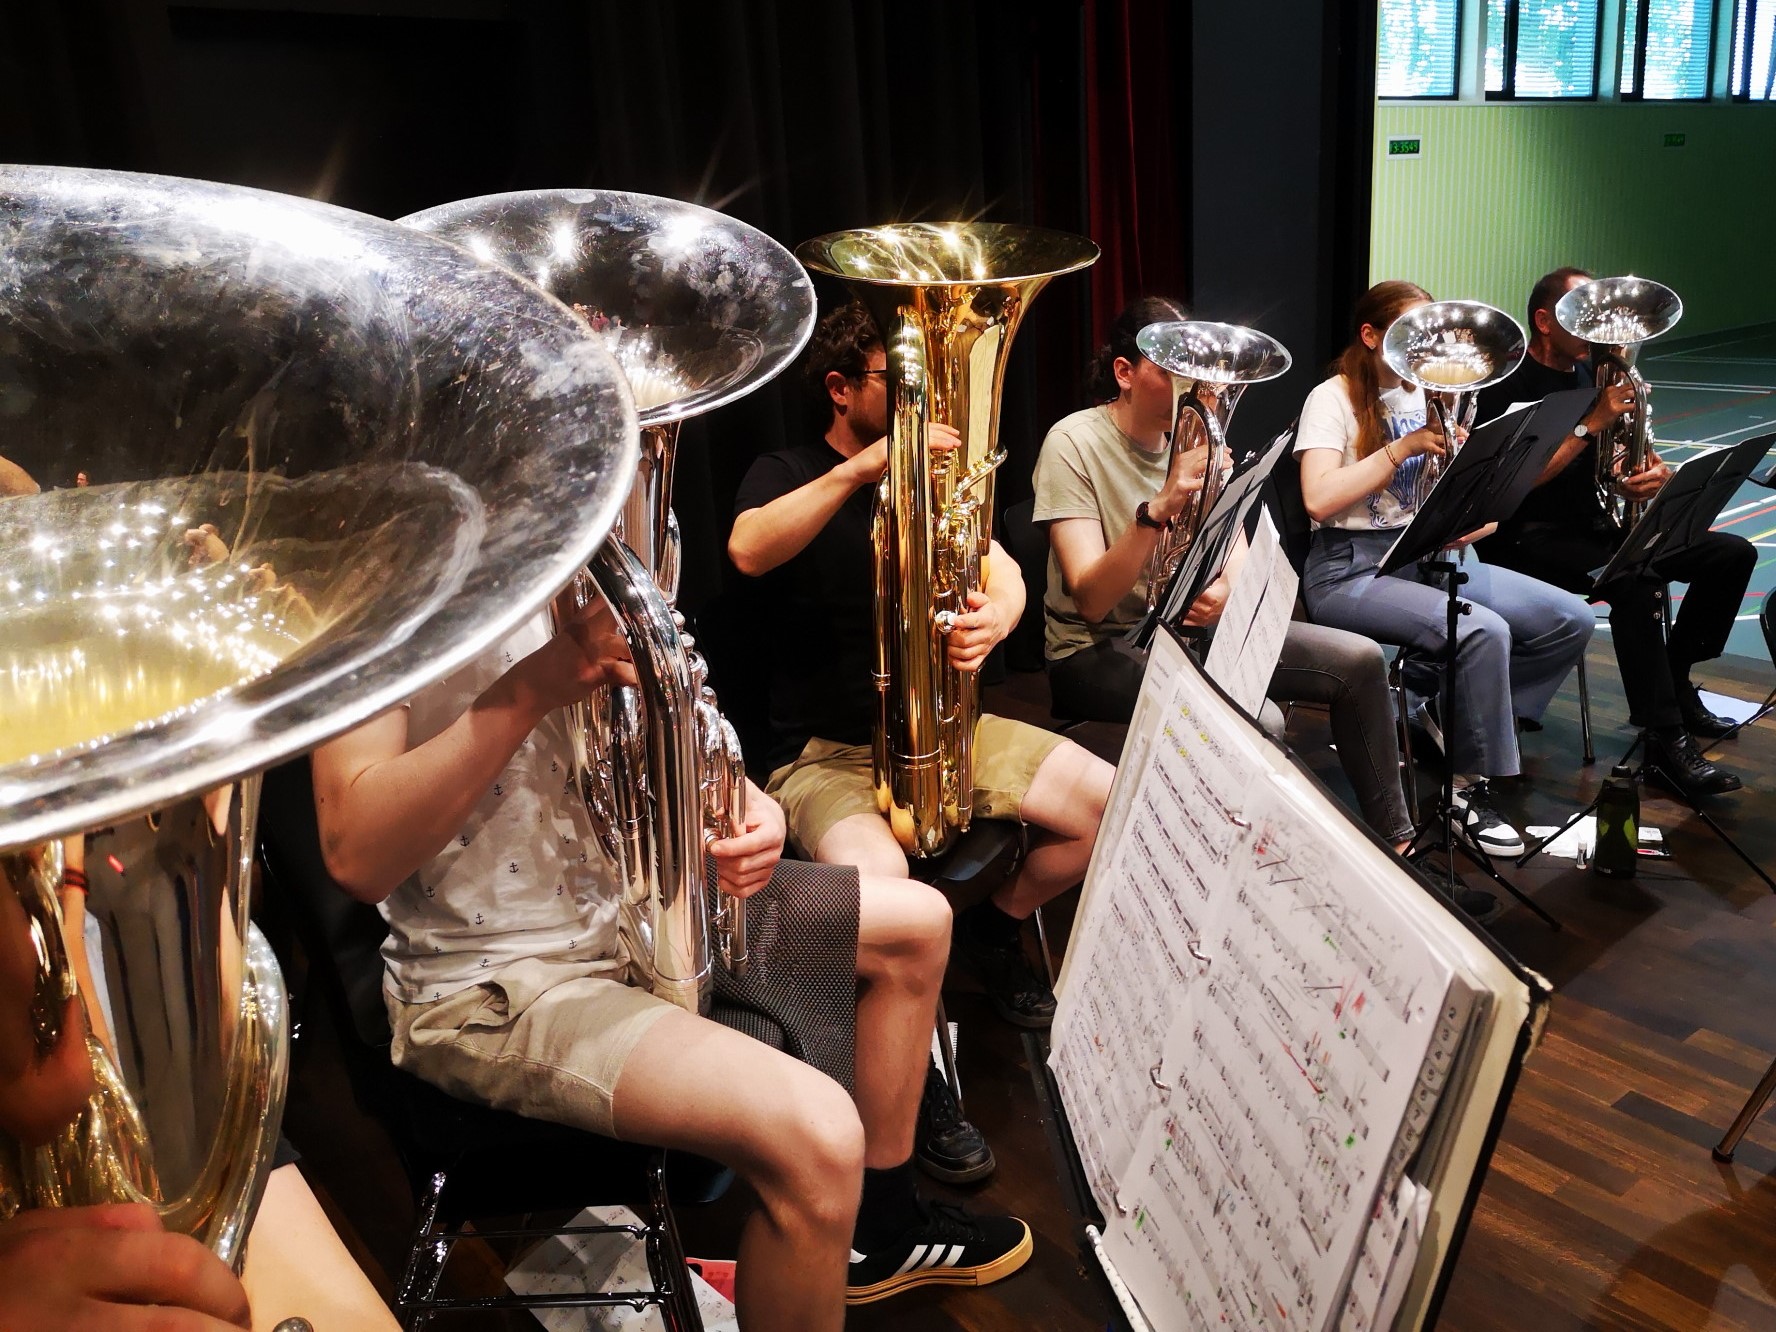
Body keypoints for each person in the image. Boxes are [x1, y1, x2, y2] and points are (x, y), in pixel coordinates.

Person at [309, 595, 1031, 1323]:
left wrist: (751, 808)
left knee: (921, 924)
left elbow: (668, 720)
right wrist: (537, 684)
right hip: (498, 981)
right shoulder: (385, 570)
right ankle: (829, 1224)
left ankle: (879, 1236)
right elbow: (357, 854)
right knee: (819, 1139)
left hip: (640, 904)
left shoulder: (586, 534)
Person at [728, 301, 1115, 1035]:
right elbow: (749, 547)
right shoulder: (786, 470)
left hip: (946, 727)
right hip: (824, 756)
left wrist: (995, 618)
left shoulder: (938, 477)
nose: (922, 399)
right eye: (898, 380)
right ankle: (919, 1061)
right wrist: (863, 471)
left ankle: (996, 929)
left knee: (1113, 808)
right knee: (890, 895)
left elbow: (1003, 571)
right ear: (841, 388)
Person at [1033, 295, 1415, 850]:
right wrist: (1157, 510)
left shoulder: (1191, 446)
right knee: (1259, 719)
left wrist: (1224, 588)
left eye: (1201, 377)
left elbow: (1232, 558)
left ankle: (1395, 846)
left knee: (1358, 660)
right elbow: (1090, 601)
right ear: (1125, 373)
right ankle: (1217, 868)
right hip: (1094, 650)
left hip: (1181, 634)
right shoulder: (1073, 442)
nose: (1198, 393)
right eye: (1177, 375)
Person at [1294, 280, 1594, 863]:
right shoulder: (1331, 398)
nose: (1426, 348)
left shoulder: (1443, 393)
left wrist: (1470, 509)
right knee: (1483, 631)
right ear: (1371, 335)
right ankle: (1467, 790)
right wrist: (1402, 450)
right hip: (1351, 569)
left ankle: (1444, 713)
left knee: (1570, 619)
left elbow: (1460, 505)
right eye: (1412, 334)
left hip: (1430, 553)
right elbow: (1318, 499)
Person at [1475, 267, 1753, 799]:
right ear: (1544, 321)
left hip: (1592, 528)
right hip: (1521, 539)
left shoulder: (1592, 376)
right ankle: (1664, 740)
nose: (1600, 331)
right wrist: (1588, 427)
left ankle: (1674, 683)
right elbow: (1508, 486)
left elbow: (1616, 461)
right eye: (1584, 316)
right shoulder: (1507, 385)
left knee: (1731, 555)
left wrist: (1646, 473)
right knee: (1636, 581)